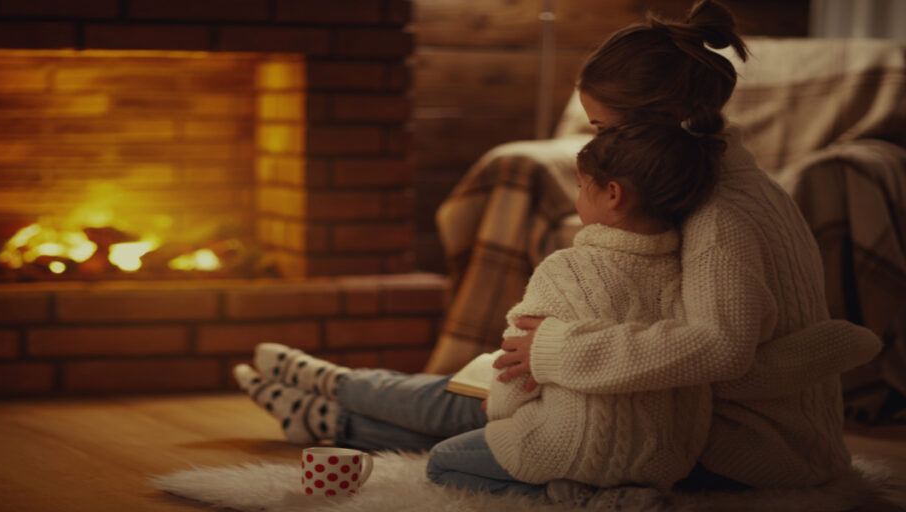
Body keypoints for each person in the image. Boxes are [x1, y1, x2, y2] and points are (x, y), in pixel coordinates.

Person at [231, 0, 881, 500]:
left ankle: (339, 398)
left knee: (498, 401)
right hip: (706, 409)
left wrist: (559, 351)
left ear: (651, 122)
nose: (596, 143)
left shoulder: (720, 214)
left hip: (752, 447)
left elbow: (721, 346)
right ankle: (335, 403)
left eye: (602, 127)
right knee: (501, 387)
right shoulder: (727, 179)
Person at [423, 120, 722, 499]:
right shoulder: (689, 273)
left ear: (613, 194)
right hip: (664, 459)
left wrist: (498, 408)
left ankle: (572, 495)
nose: (577, 198)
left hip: (570, 446)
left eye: (581, 188)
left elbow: (515, 367)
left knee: (442, 461)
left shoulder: (566, 269)